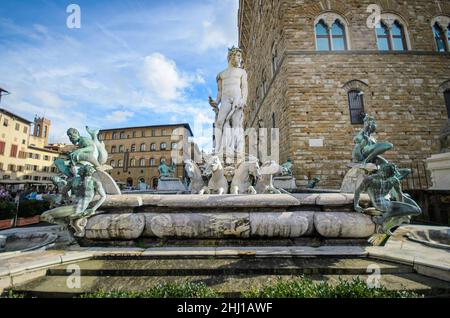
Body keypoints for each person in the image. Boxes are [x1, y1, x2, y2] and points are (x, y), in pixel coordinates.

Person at [209, 47, 248, 158]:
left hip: (237, 97)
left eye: (240, 56)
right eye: (238, 56)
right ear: (231, 56)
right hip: (225, 99)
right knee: (219, 122)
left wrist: (243, 100)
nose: (240, 59)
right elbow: (220, 91)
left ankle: (238, 151)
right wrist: (215, 102)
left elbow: (244, 88)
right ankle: (218, 150)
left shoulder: (242, 72)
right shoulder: (221, 75)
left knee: (236, 123)